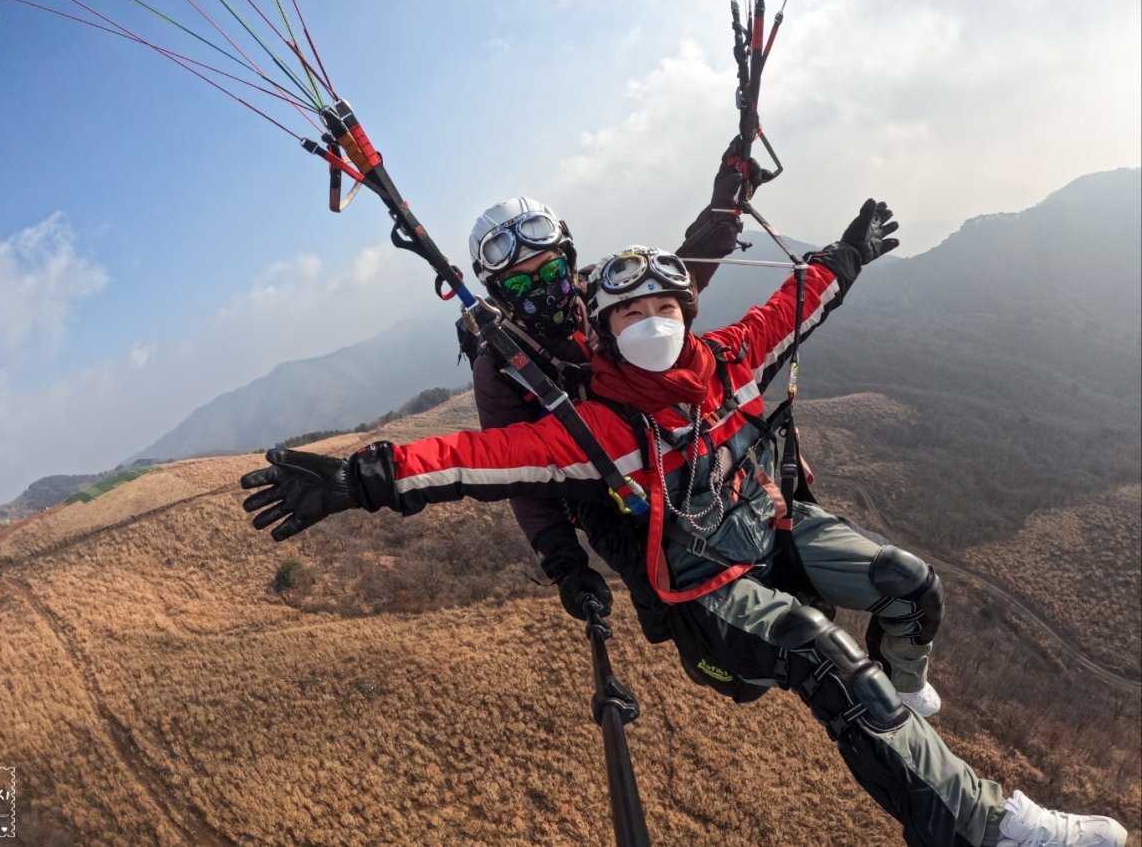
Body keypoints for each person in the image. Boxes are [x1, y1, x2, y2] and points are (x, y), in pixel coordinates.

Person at [238, 205, 1128, 847]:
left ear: (684, 309)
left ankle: (907, 714)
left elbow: (793, 304)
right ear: (607, 329)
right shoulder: (593, 429)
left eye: (664, 308)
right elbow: (477, 458)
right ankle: (986, 827)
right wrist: (363, 476)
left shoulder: (728, 359)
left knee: (910, 585)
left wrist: (846, 256)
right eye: (631, 314)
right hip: (705, 587)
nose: (652, 323)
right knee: (823, 654)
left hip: (771, 527)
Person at [463, 149, 941, 718]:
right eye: (521, 285)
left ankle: (865, 664)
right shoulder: (503, 367)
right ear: (498, 293)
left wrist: (729, 202)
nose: (543, 289)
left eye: (548, 271)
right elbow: (522, 471)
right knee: (758, 649)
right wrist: (566, 564)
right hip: (628, 505)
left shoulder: (602, 294)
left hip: (701, 471)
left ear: (567, 260)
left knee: (858, 580)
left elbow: (681, 274)